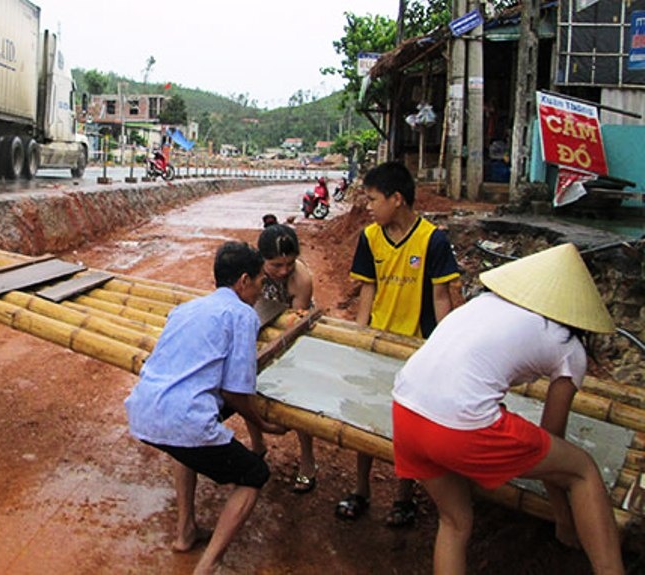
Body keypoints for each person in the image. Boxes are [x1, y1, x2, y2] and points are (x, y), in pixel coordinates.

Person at [392, 244, 624, 574]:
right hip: (460, 424)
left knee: (455, 522)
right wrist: (562, 520)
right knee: (582, 469)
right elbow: (552, 435)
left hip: (405, 410)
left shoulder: (485, 303)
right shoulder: (568, 346)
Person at [125, 241, 288, 575]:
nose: (260, 291)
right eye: (259, 282)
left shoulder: (186, 308)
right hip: (182, 418)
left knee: (187, 449)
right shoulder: (242, 314)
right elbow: (236, 391)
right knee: (253, 475)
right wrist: (264, 425)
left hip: (145, 409)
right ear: (244, 281)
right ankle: (208, 565)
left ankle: (185, 531)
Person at [337, 161, 461, 527]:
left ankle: (404, 497)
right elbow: (367, 290)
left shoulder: (432, 239)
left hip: (416, 348)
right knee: (363, 415)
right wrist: (360, 337)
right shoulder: (370, 237)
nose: (369, 207)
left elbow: (441, 297)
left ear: (397, 199)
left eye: (373, 199)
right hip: (378, 340)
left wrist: (443, 347)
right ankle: (361, 490)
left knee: (405, 426)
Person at [256, 219, 320, 494]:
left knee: (297, 393)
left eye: (289, 265)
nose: (283, 271)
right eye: (276, 266)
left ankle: (308, 461)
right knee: (249, 384)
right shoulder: (251, 270)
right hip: (261, 321)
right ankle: (257, 445)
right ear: (262, 261)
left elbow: (294, 324)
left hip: (293, 332)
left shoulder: (302, 280)